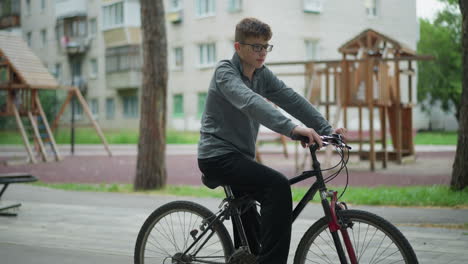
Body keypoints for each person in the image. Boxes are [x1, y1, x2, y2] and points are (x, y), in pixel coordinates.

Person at [197, 17, 346, 264]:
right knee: (276, 186)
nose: (262, 52)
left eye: (266, 46)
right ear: (238, 47)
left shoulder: (262, 75)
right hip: (217, 156)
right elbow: (251, 102)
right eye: (256, 46)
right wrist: (293, 128)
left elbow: (291, 99)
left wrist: (326, 129)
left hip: (240, 158)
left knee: (252, 232)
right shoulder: (225, 72)